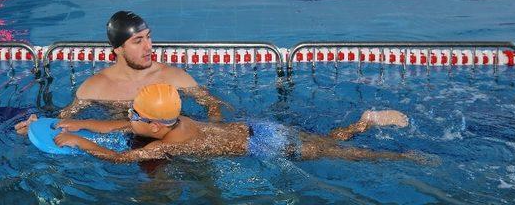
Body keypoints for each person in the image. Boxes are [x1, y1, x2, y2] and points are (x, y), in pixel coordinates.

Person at [53, 83, 440, 165]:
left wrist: (79, 142)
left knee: (346, 156)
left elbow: (118, 158)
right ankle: (364, 122)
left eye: (135, 115)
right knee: (326, 141)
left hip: (270, 146)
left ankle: (405, 157)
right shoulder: (177, 120)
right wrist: (65, 122)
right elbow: (117, 128)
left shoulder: (168, 146)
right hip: (259, 129)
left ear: (156, 127)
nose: (128, 118)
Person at [15, 11, 226, 135]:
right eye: (138, 41)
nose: (148, 47)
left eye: (148, 37)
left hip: (174, 142)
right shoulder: (95, 87)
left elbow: (212, 103)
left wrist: (210, 129)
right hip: (124, 148)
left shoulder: (174, 77)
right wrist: (35, 128)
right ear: (118, 49)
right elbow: (63, 119)